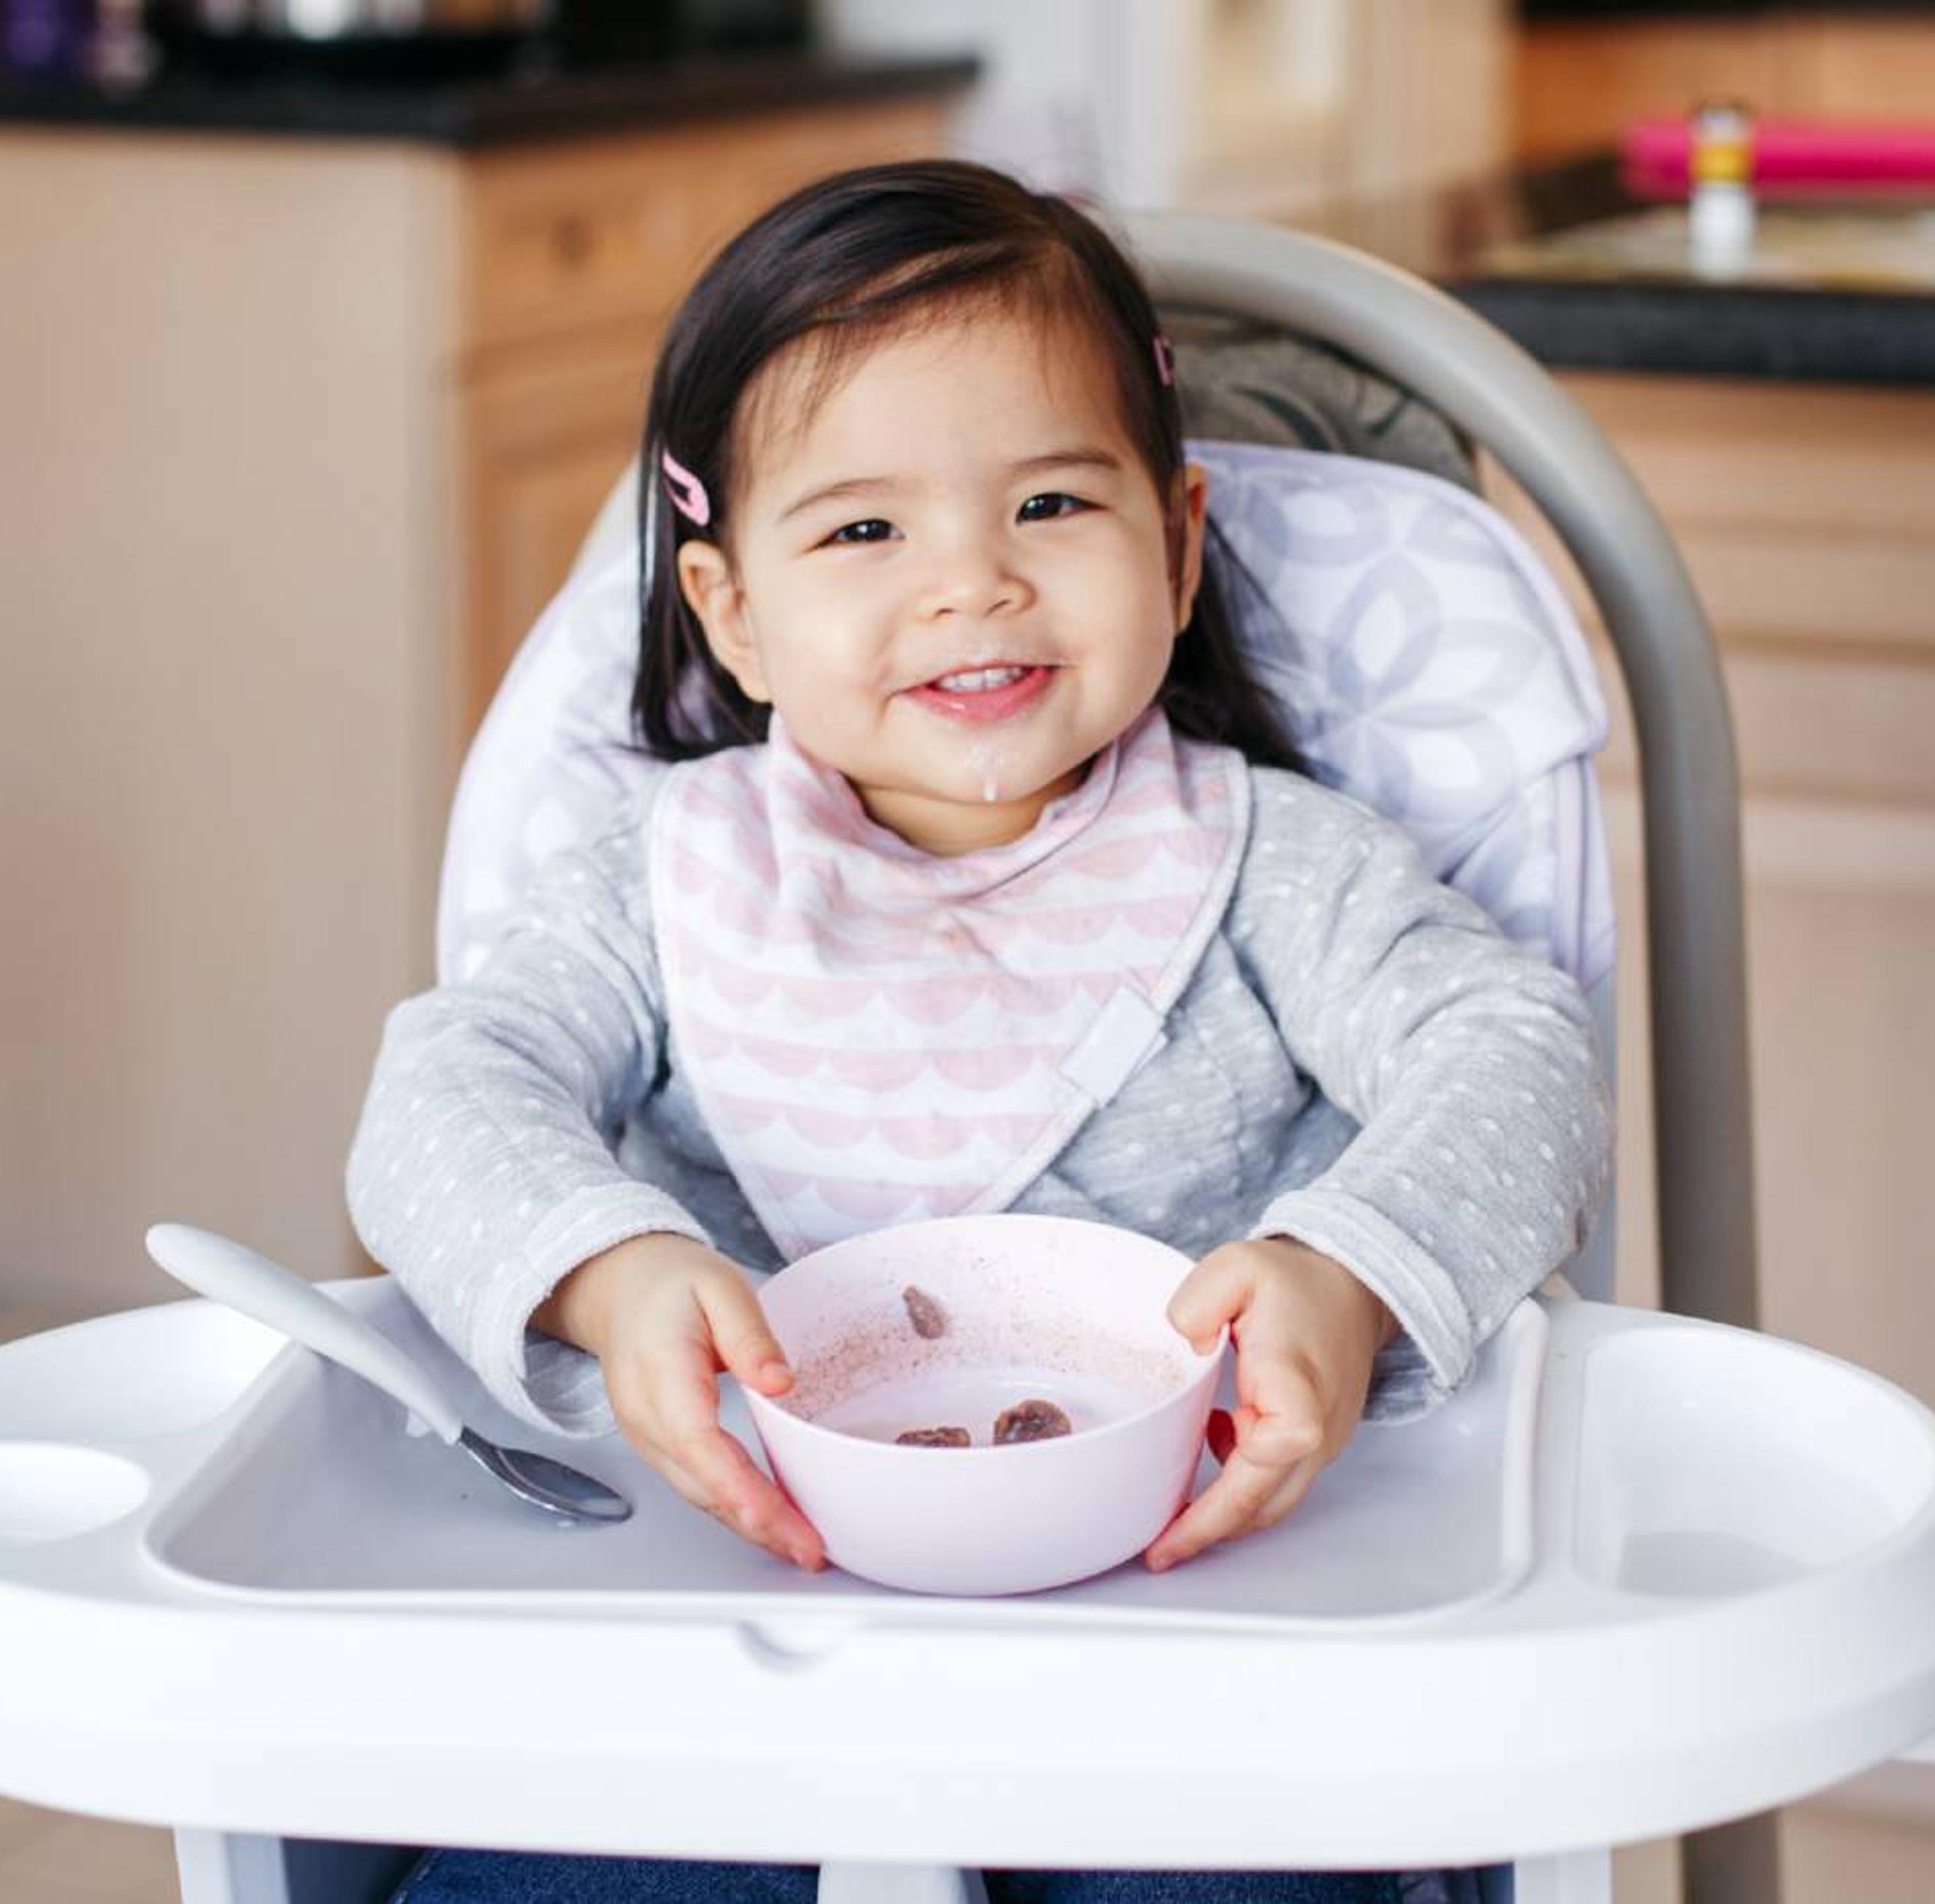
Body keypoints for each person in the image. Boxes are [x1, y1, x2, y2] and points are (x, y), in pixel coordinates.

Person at [347, 158, 1611, 1904]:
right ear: (733, 614)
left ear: (1175, 547)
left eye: (1048, 507)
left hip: (1194, 1623)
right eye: (864, 529)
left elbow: (1515, 1049)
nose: (972, 587)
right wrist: (613, 1270)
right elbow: (443, 1090)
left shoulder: (1274, 863)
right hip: (734, 1612)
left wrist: (1351, 1268)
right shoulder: (666, 879)